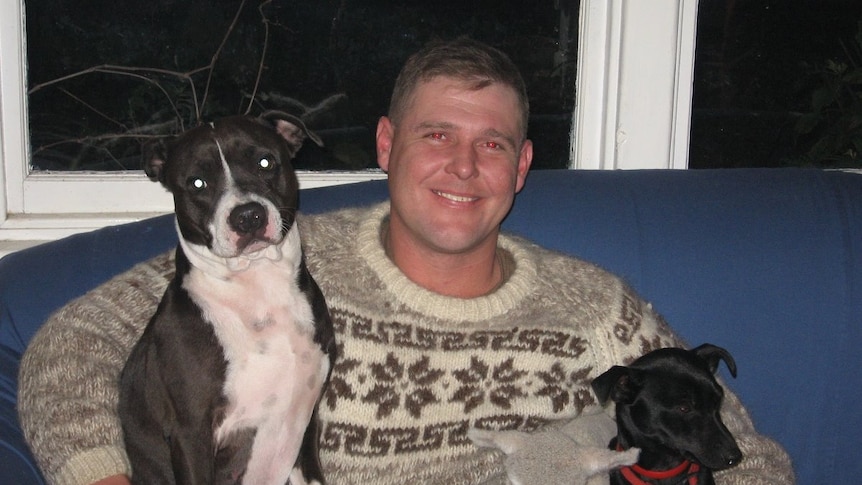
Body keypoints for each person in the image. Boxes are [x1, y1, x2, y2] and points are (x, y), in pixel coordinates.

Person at [18, 37, 794, 485]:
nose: (464, 166)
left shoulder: (594, 306)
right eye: (437, 136)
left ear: (521, 167)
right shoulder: (266, 264)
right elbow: (70, 346)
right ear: (386, 146)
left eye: (491, 144)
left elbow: (747, 455)